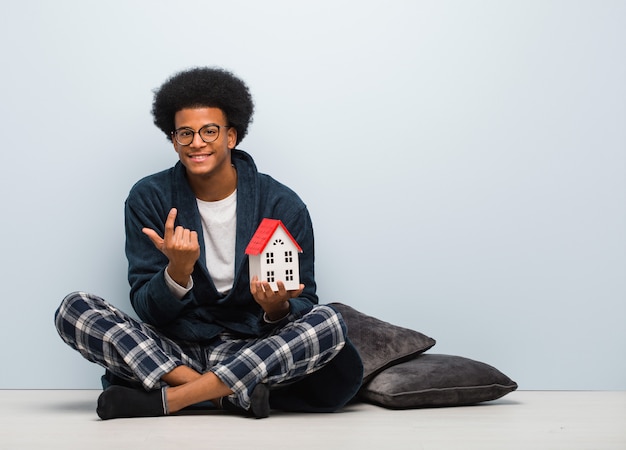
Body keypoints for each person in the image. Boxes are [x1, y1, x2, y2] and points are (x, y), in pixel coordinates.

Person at [54, 67, 363, 420]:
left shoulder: (281, 204)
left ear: (231, 136)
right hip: (173, 351)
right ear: (173, 140)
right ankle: (223, 396)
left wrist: (276, 309)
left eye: (209, 131)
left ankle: (172, 400)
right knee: (74, 309)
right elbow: (147, 310)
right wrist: (177, 273)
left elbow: (306, 301)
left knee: (329, 321)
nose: (196, 142)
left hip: (251, 348)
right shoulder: (149, 198)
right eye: (185, 133)